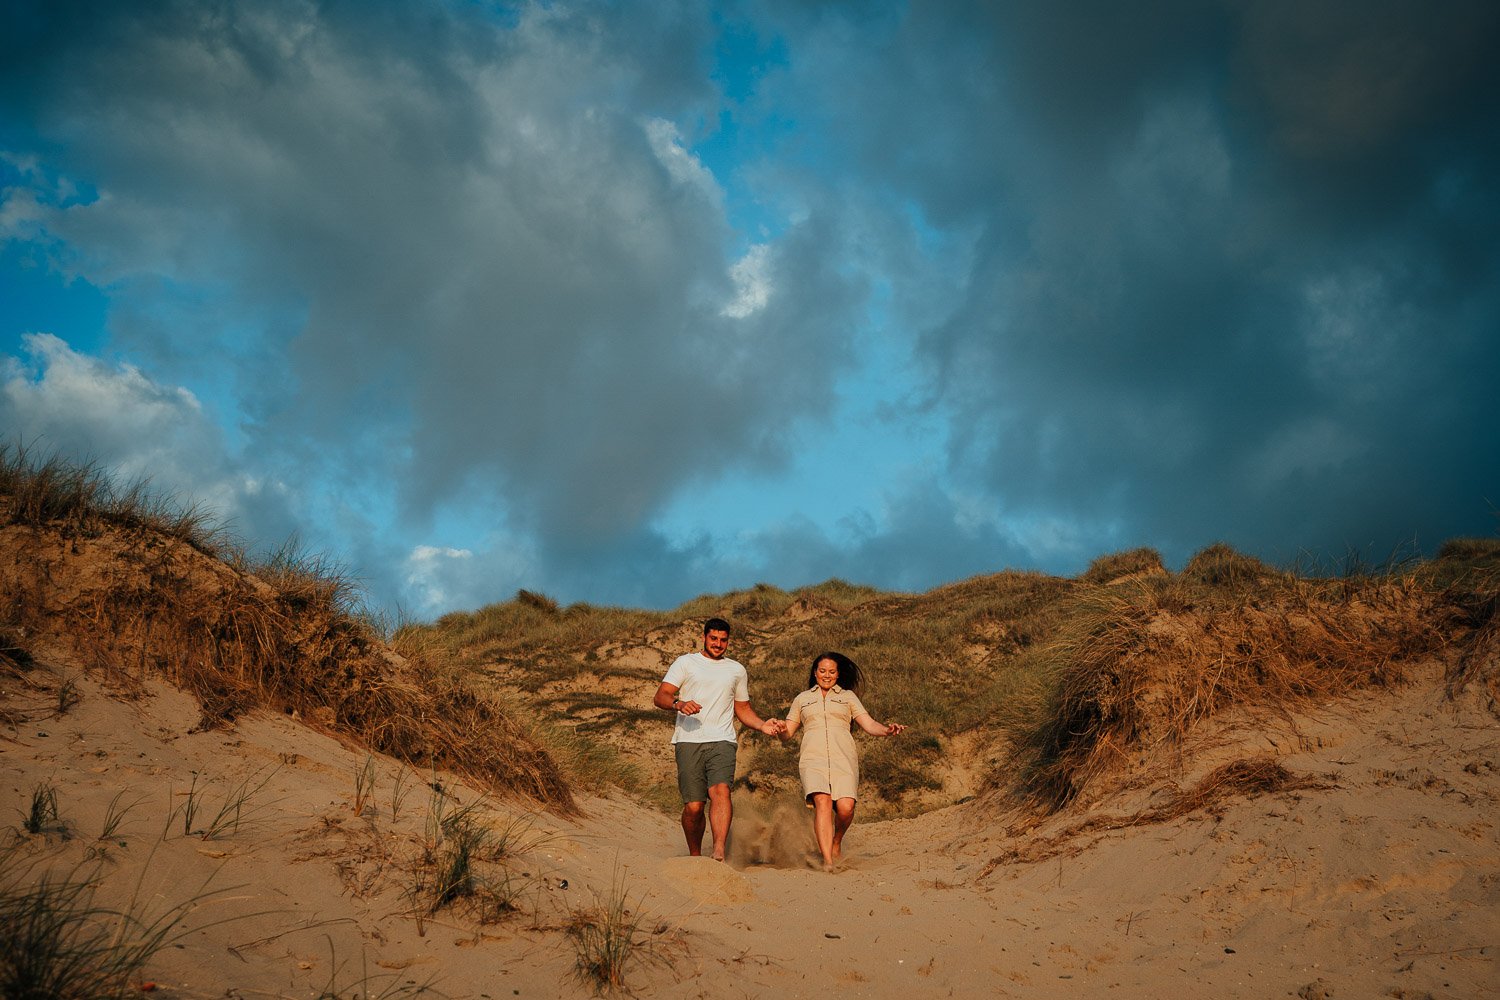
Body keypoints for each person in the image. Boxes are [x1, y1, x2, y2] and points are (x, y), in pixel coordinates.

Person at [653, 617, 783, 861]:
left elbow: (742, 709)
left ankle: (719, 850)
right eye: (713, 638)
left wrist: (762, 725)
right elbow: (661, 696)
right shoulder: (685, 662)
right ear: (704, 637)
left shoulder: (736, 670)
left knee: (721, 790)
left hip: (722, 739)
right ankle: (695, 856)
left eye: (723, 640)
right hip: (688, 740)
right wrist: (678, 704)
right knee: (694, 807)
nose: (718, 644)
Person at [779, 651, 905, 872]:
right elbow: (788, 732)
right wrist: (779, 730)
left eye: (831, 671)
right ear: (815, 672)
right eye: (822, 671)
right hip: (813, 758)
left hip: (843, 757)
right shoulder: (802, 699)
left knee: (846, 808)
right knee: (823, 802)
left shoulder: (847, 697)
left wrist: (887, 730)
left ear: (837, 675)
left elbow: (869, 724)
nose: (826, 675)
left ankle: (836, 842)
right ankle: (828, 861)